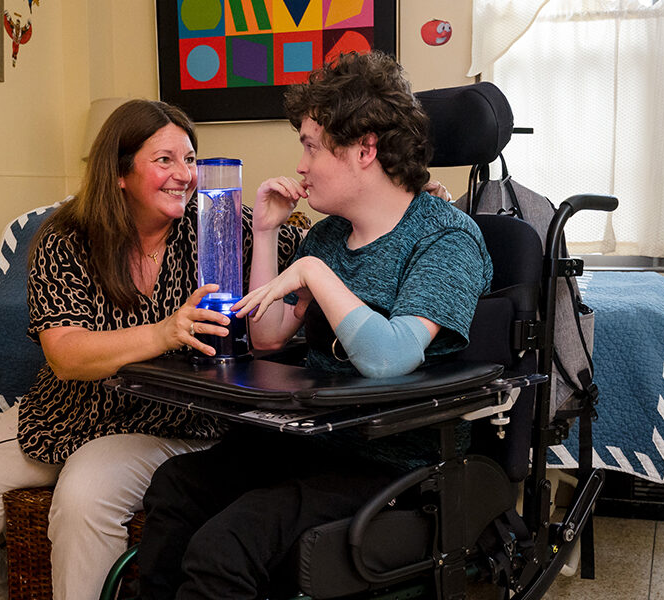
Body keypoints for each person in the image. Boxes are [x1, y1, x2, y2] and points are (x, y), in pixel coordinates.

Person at [0, 99, 302, 600]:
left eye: (189, 159)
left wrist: (417, 201)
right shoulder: (67, 238)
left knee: (84, 497)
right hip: (68, 411)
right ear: (119, 173)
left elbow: (299, 252)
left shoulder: (219, 223)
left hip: (178, 423)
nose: (185, 174)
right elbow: (66, 355)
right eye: (165, 160)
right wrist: (164, 331)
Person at [137, 51, 493, 600]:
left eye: (310, 144)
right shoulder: (328, 235)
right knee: (175, 488)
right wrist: (264, 234)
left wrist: (311, 270)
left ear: (364, 149)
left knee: (225, 546)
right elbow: (268, 336)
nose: (299, 164)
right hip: (314, 439)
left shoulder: (446, 239)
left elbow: (390, 358)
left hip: (392, 461)